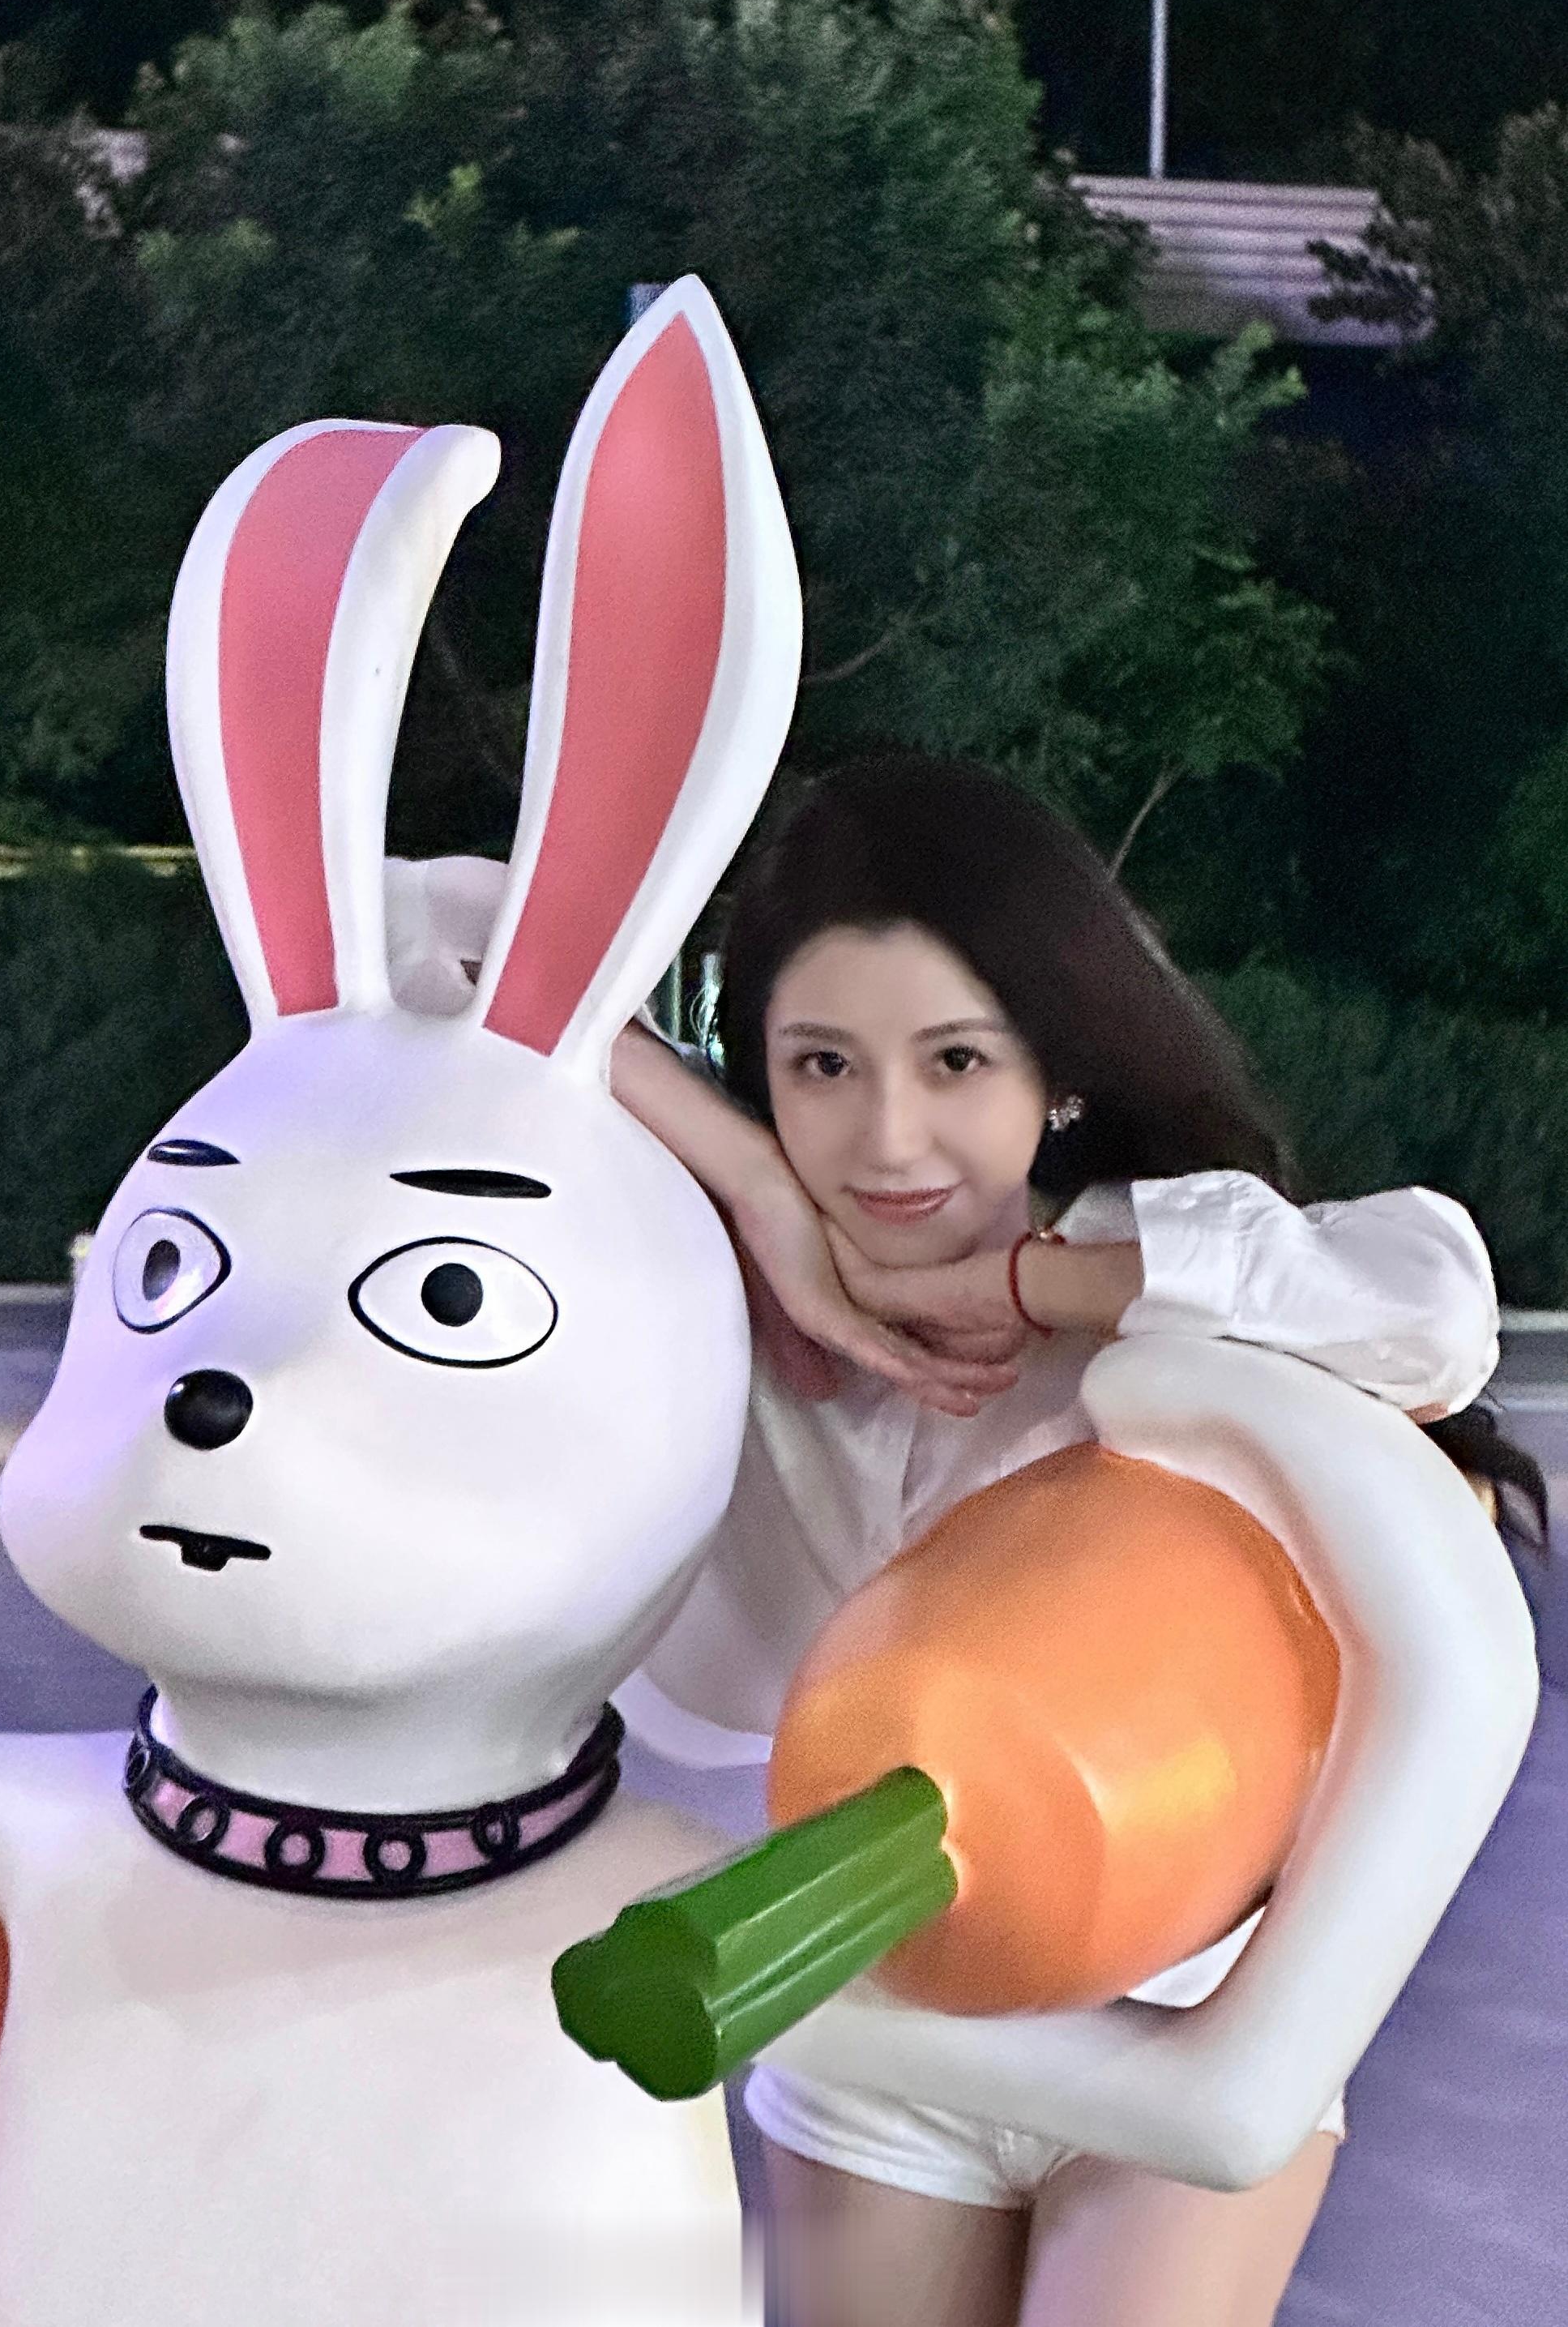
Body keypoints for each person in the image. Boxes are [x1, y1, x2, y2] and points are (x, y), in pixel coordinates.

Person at [598, 751, 1518, 2327]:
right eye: (820, 1066)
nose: (889, 1139)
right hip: (880, 2022)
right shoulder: (727, 1303)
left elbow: (1430, 1306)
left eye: (956, 1059)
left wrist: (1037, 1289)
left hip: (1182, 2026)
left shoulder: (1157, 1280)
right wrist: (751, 1184)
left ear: (1059, 1073)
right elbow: (436, 946)